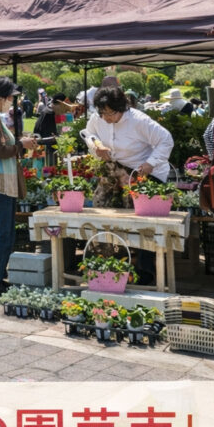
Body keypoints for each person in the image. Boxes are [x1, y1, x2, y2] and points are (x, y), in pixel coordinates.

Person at [84, 86, 175, 285]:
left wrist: (151, 163)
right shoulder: (98, 118)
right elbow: (89, 133)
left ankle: (145, 271)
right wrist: (96, 145)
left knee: (140, 223)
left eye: (111, 113)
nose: (106, 118)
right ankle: (109, 264)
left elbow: (166, 140)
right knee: (103, 212)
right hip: (114, 169)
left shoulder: (139, 121)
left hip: (142, 172)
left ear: (122, 108)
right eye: (103, 113)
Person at [0, 77, 38, 298]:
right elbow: (1, 151)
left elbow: (0, 147)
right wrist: (21, 144)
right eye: (11, 97)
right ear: (2, 97)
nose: (12, 101)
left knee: (4, 234)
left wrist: (19, 143)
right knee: (2, 235)